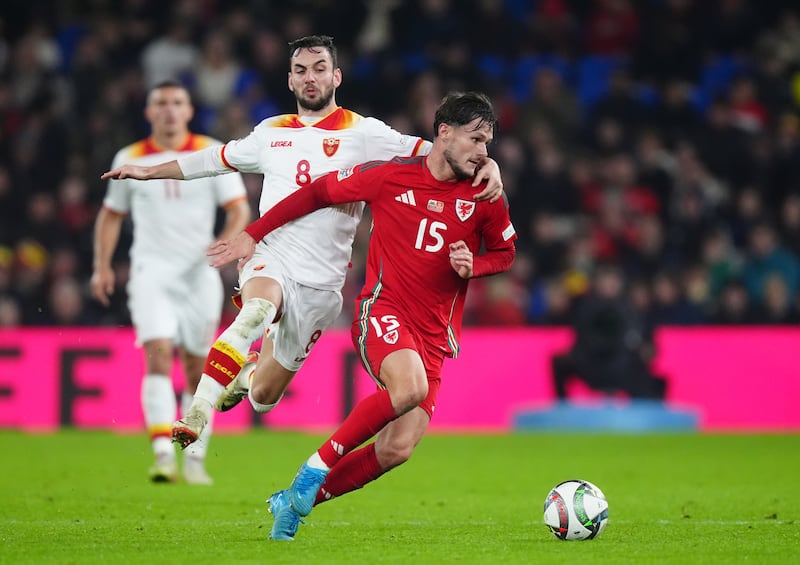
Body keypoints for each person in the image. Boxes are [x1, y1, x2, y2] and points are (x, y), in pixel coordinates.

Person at [100, 36, 504, 453]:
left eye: (319, 69)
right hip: (271, 254)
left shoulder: (365, 133)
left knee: (263, 398)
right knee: (255, 310)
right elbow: (213, 159)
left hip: (323, 284)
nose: (310, 78)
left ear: (336, 76)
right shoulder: (269, 133)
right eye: (301, 71)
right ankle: (197, 412)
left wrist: (490, 164)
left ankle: (248, 376)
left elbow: (441, 151)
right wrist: (151, 173)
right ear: (290, 81)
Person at [209, 91, 516, 540]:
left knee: (398, 448)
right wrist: (253, 234)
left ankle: (295, 500)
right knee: (407, 388)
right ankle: (314, 468)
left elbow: (506, 252)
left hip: (434, 334)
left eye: (487, 143)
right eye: (475, 139)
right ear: (444, 133)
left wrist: (477, 264)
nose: (482, 152)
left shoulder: (485, 193)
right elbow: (317, 192)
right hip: (383, 311)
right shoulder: (390, 176)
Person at [91, 80, 250, 484]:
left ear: (189, 111)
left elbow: (238, 208)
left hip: (199, 273)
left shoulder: (209, 151)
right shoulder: (129, 156)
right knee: (159, 354)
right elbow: (111, 215)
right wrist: (102, 265)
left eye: (176, 102)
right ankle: (163, 454)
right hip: (151, 272)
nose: (168, 110)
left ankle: (194, 458)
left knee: (199, 366)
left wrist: (229, 240)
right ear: (148, 113)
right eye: (160, 103)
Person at [550, 263, 666, 401]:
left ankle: (641, 416)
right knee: (559, 362)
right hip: (590, 365)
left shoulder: (629, 309)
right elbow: (583, 338)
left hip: (621, 367)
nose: (609, 284)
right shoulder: (585, 306)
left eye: (613, 280)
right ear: (598, 282)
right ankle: (562, 410)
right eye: (606, 280)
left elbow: (639, 338)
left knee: (649, 374)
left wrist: (646, 348)